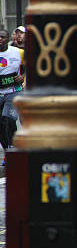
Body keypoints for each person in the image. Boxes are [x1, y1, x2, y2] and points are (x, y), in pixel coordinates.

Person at [0, 28, 24, 163]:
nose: (0, 39)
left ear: (8, 39)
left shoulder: (17, 52)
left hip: (14, 92)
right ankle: (7, 151)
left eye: (2, 37)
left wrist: (23, 77)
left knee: (8, 119)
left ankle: (12, 147)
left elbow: (31, 65)